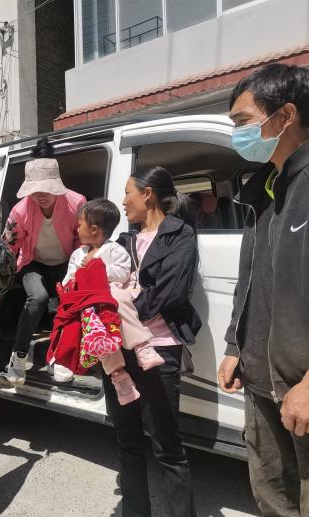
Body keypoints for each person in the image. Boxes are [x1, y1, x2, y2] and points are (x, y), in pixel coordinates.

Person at [218, 63, 309, 516]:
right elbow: (249, 280)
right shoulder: (263, 189)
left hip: (301, 386)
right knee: (272, 496)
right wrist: (235, 345)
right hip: (261, 384)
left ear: (285, 116)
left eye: (243, 121)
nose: (237, 134)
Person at [109, 166, 201, 517]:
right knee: (127, 440)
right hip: (120, 353)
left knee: (167, 447)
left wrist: (123, 307)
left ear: (147, 194)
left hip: (160, 349)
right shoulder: (123, 241)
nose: (123, 201)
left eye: (127, 193)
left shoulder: (180, 235)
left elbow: (171, 291)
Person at [0, 137, 86, 384]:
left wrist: (79, 265)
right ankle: (18, 359)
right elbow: (11, 245)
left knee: (66, 304)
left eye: (46, 188)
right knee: (37, 297)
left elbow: (82, 237)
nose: (40, 195)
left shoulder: (77, 202)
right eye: (34, 190)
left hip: (66, 262)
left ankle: (61, 358)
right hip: (33, 262)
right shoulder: (20, 210)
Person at [59, 199, 161, 403]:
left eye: (80, 224)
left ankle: (142, 346)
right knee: (100, 340)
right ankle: (118, 376)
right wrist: (81, 275)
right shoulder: (78, 254)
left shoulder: (115, 250)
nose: (76, 229)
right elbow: (68, 281)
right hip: (88, 305)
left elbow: (123, 273)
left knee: (120, 298)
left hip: (109, 299)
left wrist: (95, 268)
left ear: (94, 229)